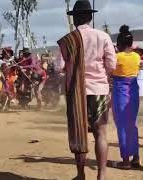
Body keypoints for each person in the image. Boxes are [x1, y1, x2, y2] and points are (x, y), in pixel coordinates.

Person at [57, 1, 117, 179]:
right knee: (100, 133)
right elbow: (112, 65)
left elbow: (58, 66)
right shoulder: (103, 36)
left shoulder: (68, 40)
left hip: (76, 91)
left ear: (74, 19)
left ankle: (81, 174)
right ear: (90, 17)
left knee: (79, 132)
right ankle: (102, 174)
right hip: (99, 89)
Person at [112, 25, 141, 169]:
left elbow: (108, 70)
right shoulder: (136, 57)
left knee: (122, 126)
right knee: (132, 125)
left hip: (120, 94)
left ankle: (125, 161)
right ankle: (136, 157)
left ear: (119, 44)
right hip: (134, 93)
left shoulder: (116, 57)